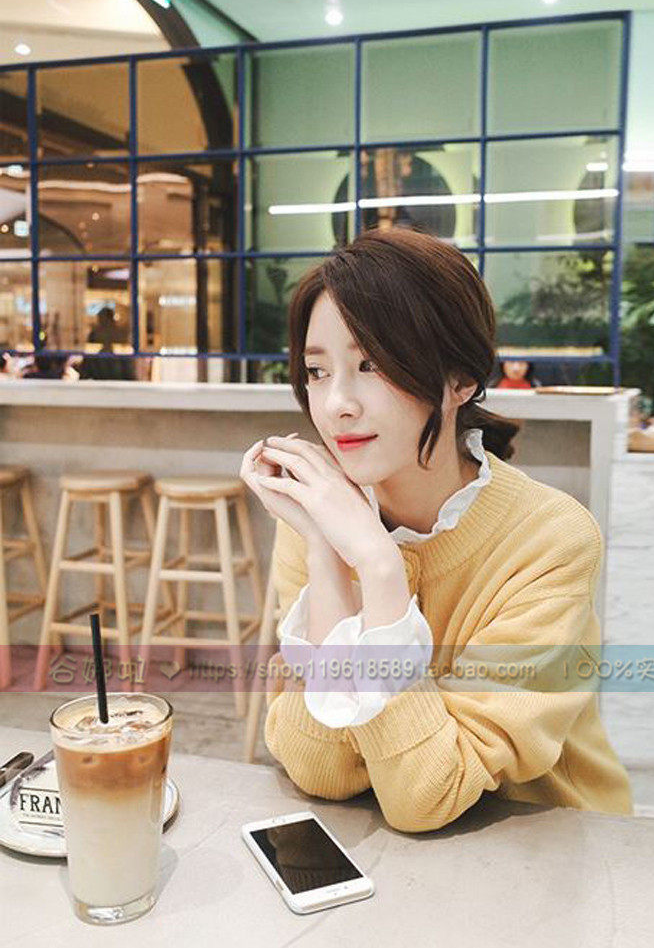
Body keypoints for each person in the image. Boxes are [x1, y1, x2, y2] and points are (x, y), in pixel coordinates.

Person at [240, 228, 633, 833]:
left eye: (370, 364)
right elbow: (320, 770)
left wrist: (378, 567)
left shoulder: (551, 539)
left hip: (553, 841)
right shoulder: (318, 521)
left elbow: (427, 796)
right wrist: (325, 551)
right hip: (396, 864)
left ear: (460, 379)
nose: (336, 403)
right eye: (317, 371)